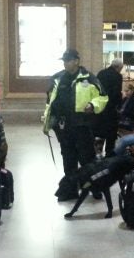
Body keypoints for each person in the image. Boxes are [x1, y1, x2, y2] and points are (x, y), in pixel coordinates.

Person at [43, 48, 108, 186]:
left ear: (76, 61)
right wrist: (48, 118)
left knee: (86, 157)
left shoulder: (89, 78)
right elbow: (50, 100)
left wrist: (92, 104)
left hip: (82, 125)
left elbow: (103, 97)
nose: (65, 63)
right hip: (64, 126)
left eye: (68, 60)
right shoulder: (57, 78)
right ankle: (71, 186)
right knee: (68, 156)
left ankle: (93, 186)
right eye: (64, 61)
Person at [94, 58, 124, 157]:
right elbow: (116, 93)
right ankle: (109, 155)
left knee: (99, 131)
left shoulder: (101, 73)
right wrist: (119, 103)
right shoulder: (117, 76)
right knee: (111, 133)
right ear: (118, 67)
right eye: (121, 68)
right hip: (110, 108)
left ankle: (97, 154)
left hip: (100, 107)